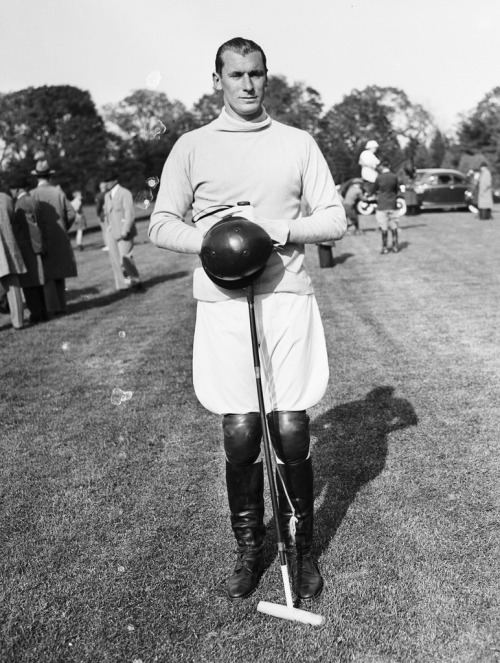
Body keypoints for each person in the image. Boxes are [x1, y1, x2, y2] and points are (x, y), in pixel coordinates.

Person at [149, 37, 347, 602]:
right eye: (235, 74)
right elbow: (162, 223)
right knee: (240, 433)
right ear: (217, 79)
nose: (247, 84)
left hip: (286, 298)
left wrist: (273, 231)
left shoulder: (297, 143)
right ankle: (249, 549)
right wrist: (215, 243)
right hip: (224, 304)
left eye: (256, 73)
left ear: (267, 77)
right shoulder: (190, 147)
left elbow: (332, 219)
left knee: (290, 427)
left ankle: (298, 547)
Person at [30, 160, 77, 315]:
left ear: (37, 177)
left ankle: (52, 307)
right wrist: (64, 227)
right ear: (49, 176)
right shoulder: (58, 192)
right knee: (60, 274)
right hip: (60, 238)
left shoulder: (33, 194)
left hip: (43, 238)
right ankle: (62, 305)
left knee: (48, 275)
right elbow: (71, 213)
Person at [9, 174, 48, 324]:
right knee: (38, 283)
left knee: (30, 284)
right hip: (36, 247)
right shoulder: (32, 199)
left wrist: (34, 248)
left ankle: (37, 315)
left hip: (28, 248)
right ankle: (42, 313)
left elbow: (30, 229)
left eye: (12, 189)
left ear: (18, 189)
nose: (11, 192)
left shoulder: (20, 204)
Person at [102, 170, 144, 292]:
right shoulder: (107, 195)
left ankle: (136, 282)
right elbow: (107, 215)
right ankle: (124, 285)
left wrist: (125, 231)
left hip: (123, 232)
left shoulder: (124, 193)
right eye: (106, 181)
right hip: (112, 232)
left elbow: (129, 213)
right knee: (116, 261)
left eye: (109, 180)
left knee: (125, 259)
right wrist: (108, 230)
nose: (107, 183)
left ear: (115, 180)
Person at [0, 180, 27, 329]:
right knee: (13, 286)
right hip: (8, 247)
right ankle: (18, 322)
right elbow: (12, 219)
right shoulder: (6, 199)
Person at [373, 164, 403, 254]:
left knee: (383, 227)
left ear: (382, 167)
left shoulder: (379, 177)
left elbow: (374, 189)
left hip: (382, 205)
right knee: (394, 226)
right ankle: (395, 247)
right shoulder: (394, 177)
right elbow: (397, 190)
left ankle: (385, 248)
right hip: (393, 204)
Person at [95, 182, 109, 250]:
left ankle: (108, 245)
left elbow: (98, 207)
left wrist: (98, 215)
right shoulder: (109, 193)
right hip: (110, 214)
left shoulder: (99, 196)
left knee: (105, 231)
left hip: (102, 215)